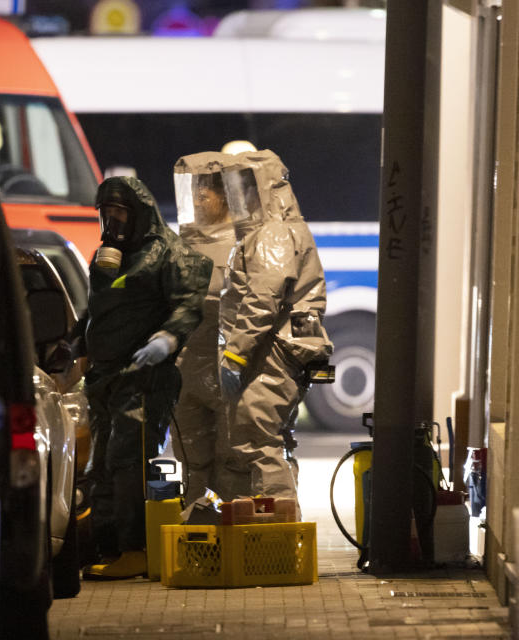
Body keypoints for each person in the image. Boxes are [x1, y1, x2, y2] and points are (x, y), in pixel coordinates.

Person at [76, 176, 211, 579]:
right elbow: (97, 309)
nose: (111, 223)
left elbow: (188, 302)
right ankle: (109, 545)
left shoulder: (167, 253)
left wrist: (167, 339)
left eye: (118, 214)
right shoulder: (110, 255)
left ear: (138, 214)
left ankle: (135, 548)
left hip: (142, 378)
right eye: (105, 214)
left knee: (129, 462)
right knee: (100, 465)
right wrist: (77, 345)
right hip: (105, 378)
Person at [216, 149, 333, 514]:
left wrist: (235, 354)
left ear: (260, 188)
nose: (234, 198)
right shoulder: (268, 230)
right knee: (266, 440)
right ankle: (269, 533)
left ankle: (274, 538)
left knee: (256, 441)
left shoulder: (272, 232)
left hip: (270, 351)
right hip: (273, 349)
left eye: (240, 187)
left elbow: (261, 300)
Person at [170, 152, 239, 508]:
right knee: (192, 460)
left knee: (232, 460)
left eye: (204, 192)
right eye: (193, 192)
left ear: (225, 195)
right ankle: (197, 535)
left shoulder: (244, 240)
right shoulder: (183, 242)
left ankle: (235, 534)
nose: (197, 200)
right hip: (189, 367)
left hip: (227, 365)